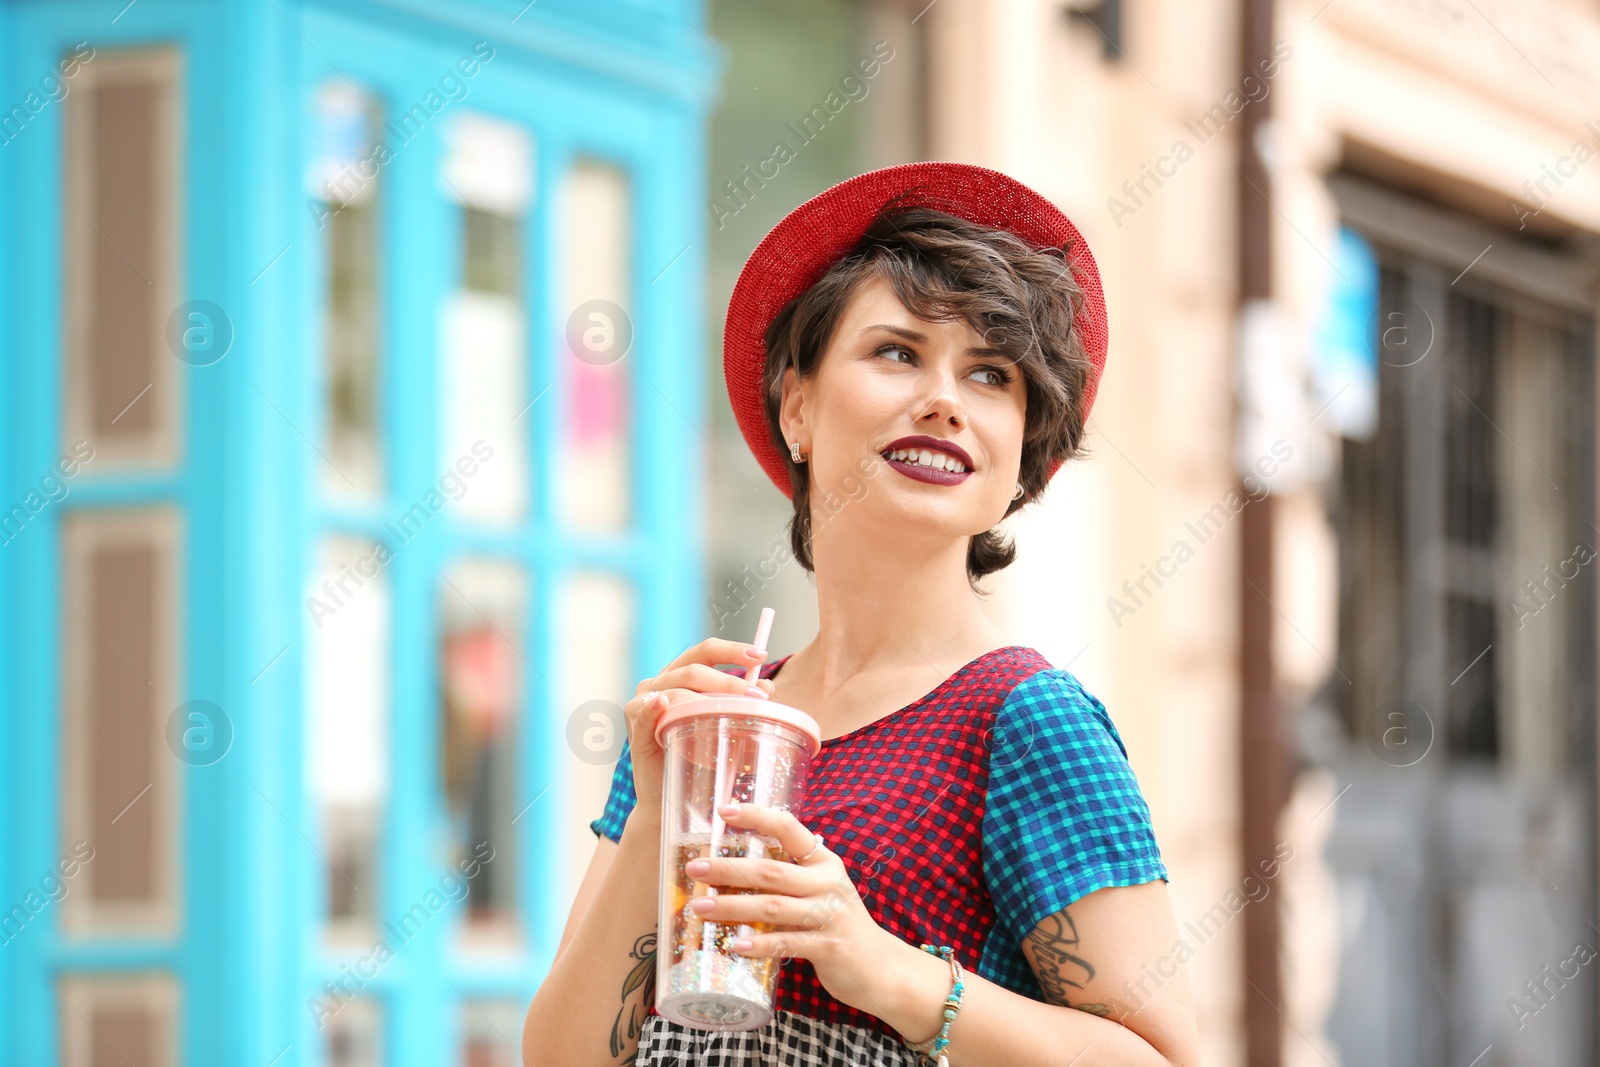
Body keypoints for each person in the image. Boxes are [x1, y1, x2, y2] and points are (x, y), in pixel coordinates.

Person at [523, 162, 1201, 1066]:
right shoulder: (712, 722)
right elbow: (561, 1058)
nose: (945, 400)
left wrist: (884, 968)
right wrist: (653, 813)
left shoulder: (1027, 719)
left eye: (991, 374)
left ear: (1020, 460)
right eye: (897, 352)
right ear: (795, 407)